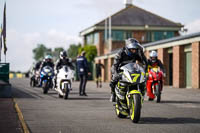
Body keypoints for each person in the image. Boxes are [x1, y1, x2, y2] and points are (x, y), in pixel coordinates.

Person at [110, 38, 148, 102]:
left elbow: (144, 62)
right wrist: (115, 73)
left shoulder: (136, 53)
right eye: (132, 49)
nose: (134, 51)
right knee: (113, 80)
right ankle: (113, 94)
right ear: (128, 48)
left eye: (135, 49)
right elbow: (114, 65)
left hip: (132, 70)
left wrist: (141, 53)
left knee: (143, 81)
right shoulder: (120, 53)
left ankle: (142, 94)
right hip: (121, 70)